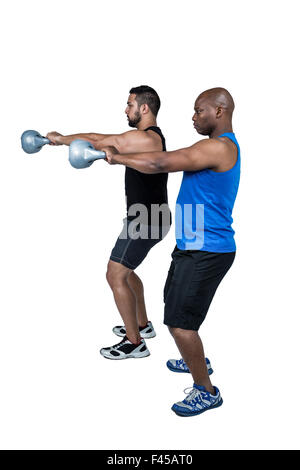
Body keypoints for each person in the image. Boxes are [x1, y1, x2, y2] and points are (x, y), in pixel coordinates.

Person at [102, 87, 240, 417]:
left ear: (219, 112)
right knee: (177, 310)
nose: (193, 117)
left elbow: (161, 162)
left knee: (180, 324)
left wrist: (116, 156)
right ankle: (195, 356)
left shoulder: (219, 147)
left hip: (207, 249)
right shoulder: (211, 146)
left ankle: (206, 390)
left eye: (199, 111)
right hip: (191, 244)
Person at [46, 85, 171, 360]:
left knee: (114, 274)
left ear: (144, 108)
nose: (126, 110)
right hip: (147, 216)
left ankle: (134, 342)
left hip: (147, 218)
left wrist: (60, 138)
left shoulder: (148, 139)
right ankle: (141, 325)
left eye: (129, 105)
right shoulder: (147, 138)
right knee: (127, 271)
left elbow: (97, 138)